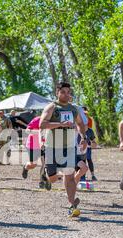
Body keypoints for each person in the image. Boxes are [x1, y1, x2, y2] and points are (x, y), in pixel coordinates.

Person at [39, 82, 87, 217]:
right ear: (57, 92)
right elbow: (41, 124)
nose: (66, 94)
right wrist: (60, 124)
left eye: (68, 92)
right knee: (53, 178)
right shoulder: (52, 107)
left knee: (70, 176)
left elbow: (80, 124)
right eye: (63, 92)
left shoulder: (73, 109)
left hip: (69, 147)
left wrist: (83, 137)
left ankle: (72, 205)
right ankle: (47, 179)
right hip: (52, 147)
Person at [21, 116, 46, 188]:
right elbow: (27, 130)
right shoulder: (37, 119)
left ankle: (42, 182)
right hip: (33, 145)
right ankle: (26, 167)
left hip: (44, 145)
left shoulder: (52, 121)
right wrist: (39, 132)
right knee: (33, 165)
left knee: (45, 164)